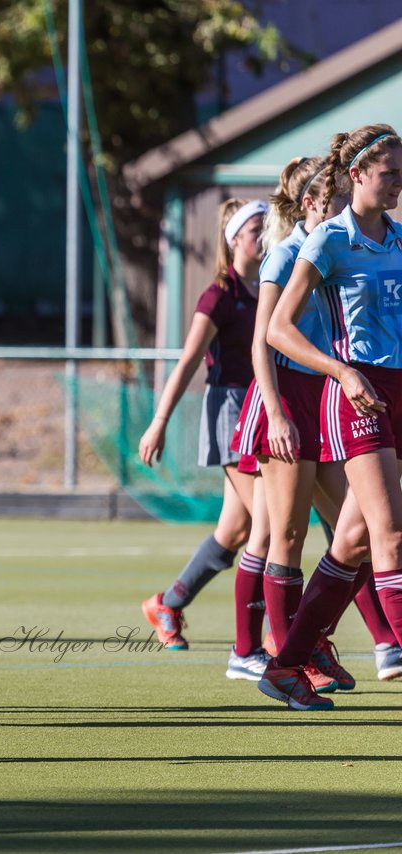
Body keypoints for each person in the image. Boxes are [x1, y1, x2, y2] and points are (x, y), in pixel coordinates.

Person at [233, 155, 398, 689]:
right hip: (295, 398)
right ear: (311, 202)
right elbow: (266, 338)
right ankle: (270, 651)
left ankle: (307, 652)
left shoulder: (367, 241)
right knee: (281, 532)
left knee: (354, 536)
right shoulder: (294, 253)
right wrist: (277, 410)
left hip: (339, 393)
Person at [139, 199, 270, 669]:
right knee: (272, 525)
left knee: (237, 529)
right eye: (256, 229)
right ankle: (270, 639)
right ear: (235, 238)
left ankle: (168, 604)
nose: (264, 236)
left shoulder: (266, 290)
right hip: (230, 413)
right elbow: (189, 361)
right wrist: (159, 420)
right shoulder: (219, 294)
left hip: (258, 410)